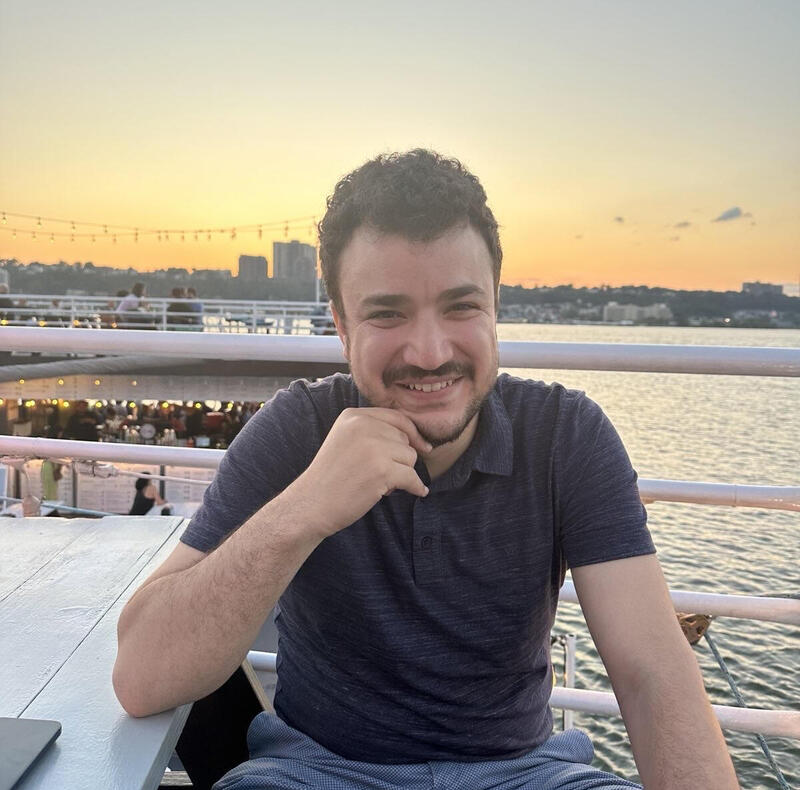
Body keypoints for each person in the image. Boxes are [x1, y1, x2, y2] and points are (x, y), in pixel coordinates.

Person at [113, 150, 739, 789]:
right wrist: (305, 507)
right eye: (387, 313)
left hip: (526, 775)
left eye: (461, 306)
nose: (431, 352)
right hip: (315, 771)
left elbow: (652, 673)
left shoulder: (565, 435)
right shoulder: (298, 428)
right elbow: (141, 677)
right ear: (342, 326)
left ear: (495, 308)